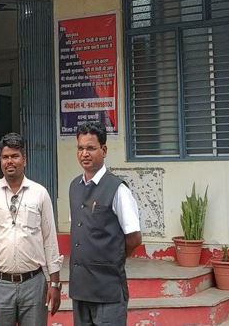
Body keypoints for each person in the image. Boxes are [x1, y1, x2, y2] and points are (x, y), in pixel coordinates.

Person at [0, 132, 64, 326]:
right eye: (5, 157)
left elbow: (49, 240)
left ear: (25, 159)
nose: (10, 161)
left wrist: (55, 283)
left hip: (34, 283)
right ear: (0, 160)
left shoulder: (40, 193)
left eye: (15, 156)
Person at [69, 122, 142, 326]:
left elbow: (134, 238)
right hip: (80, 289)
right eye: (80, 148)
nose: (84, 154)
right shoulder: (74, 187)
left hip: (108, 289)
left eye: (91, 148)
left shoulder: (118, 189)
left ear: (104, 150)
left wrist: (112, 259)